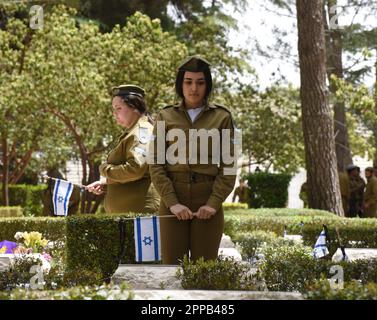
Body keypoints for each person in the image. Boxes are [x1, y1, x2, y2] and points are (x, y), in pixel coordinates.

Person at [149, 56, 237, 264]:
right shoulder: (165, 116)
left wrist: (213, 204)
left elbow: (229, 166)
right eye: (188, 82)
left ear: (207, 85)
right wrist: (172, 203)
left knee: (204, 269)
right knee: (172, 268)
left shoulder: (222, 117)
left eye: (200, 82)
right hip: (173, 199)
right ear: (181, 84)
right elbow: (155, 163)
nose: (194, 88)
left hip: (207, 200)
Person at [86, 85, 159, 214]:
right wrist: (107, 182)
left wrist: (105, 170)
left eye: (118, 108)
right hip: (131, 215)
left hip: (141, 217)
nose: (115, 114)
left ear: (134, 107)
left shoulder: (142, 132)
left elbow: (135, 169)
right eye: (113, 109)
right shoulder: (132, 132)